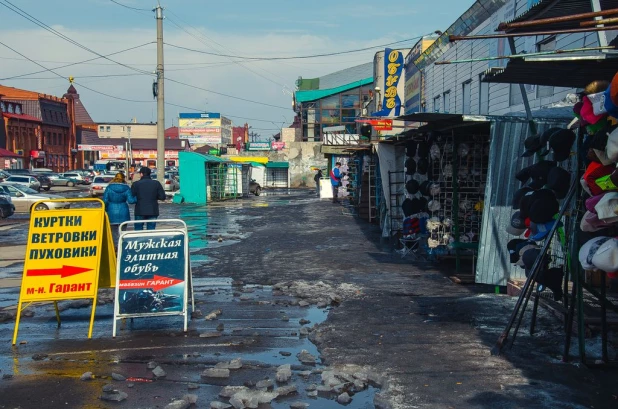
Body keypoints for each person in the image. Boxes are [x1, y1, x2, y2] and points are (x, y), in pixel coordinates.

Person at [103, 172, 136, 245]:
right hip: (123, 211)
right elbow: (131, 201)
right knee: (122, 232)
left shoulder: (109, 187)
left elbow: (105, 201)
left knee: (114, 232)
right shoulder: (126, 188)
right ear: (123, 179)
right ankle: (122, 247)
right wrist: (138, 197)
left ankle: (115, 249)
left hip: (111, 211)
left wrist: (104, 210)